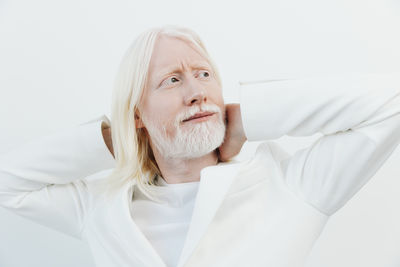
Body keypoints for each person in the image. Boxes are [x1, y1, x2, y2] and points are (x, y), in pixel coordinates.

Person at [0, 25, 399, 267]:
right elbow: (8, 183)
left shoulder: (291, 185)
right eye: (172, 80)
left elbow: (391, 102)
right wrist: (116, 136)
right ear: (136, 112)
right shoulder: (102, 208)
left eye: (204, 74)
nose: (197, 93)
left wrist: (247, 118)